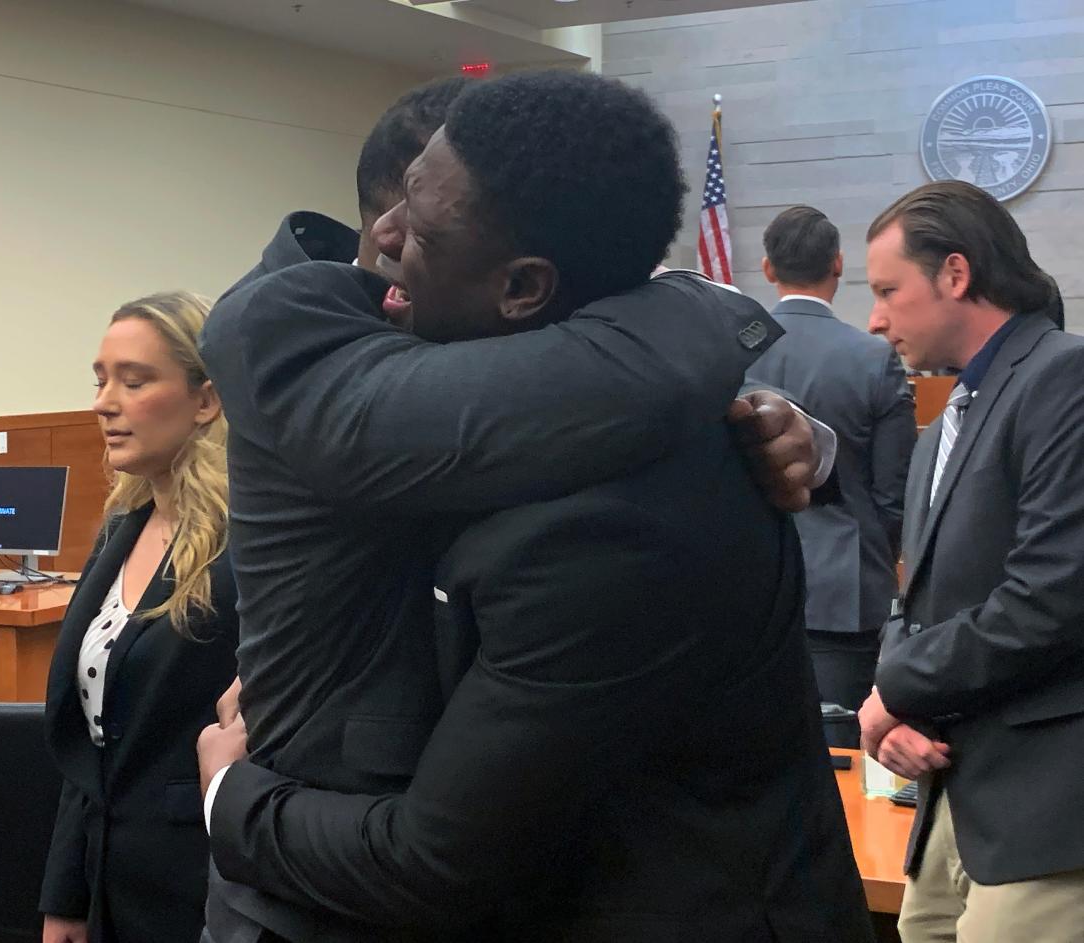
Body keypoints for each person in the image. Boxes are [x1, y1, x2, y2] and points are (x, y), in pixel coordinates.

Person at [199, 71, 872, 943]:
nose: (384, 239)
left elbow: (434, 859)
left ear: (522, 287)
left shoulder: (607, 516)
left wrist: (227, 792)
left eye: (425, 229)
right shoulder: (371, 352)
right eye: (397, 200)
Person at [857, 180, 1084, 943]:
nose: (875, 318)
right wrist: (896, 711)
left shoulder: (1064, 378)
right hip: (953, 793)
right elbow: (912, 597)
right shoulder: (943, 424)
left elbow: (1054, 594)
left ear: (955, 274)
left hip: (1046, 806)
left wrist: (896, 685)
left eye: (889, 290)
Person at [39, 292, 238, 943]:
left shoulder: (250, 548)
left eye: (134, 379)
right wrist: (65, 895)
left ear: (205, 399)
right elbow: (93, 739)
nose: (103, 402)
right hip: (108, 888)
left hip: (206, 890)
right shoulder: (122, 530)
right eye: (100, 379)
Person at [748, 205, 916, 737]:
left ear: (768, 268)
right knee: (839, 759)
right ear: (838, 264)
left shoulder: (732, 352)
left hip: (744, 585)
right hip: (844, 595)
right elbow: (895, 495)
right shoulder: (873, 357)